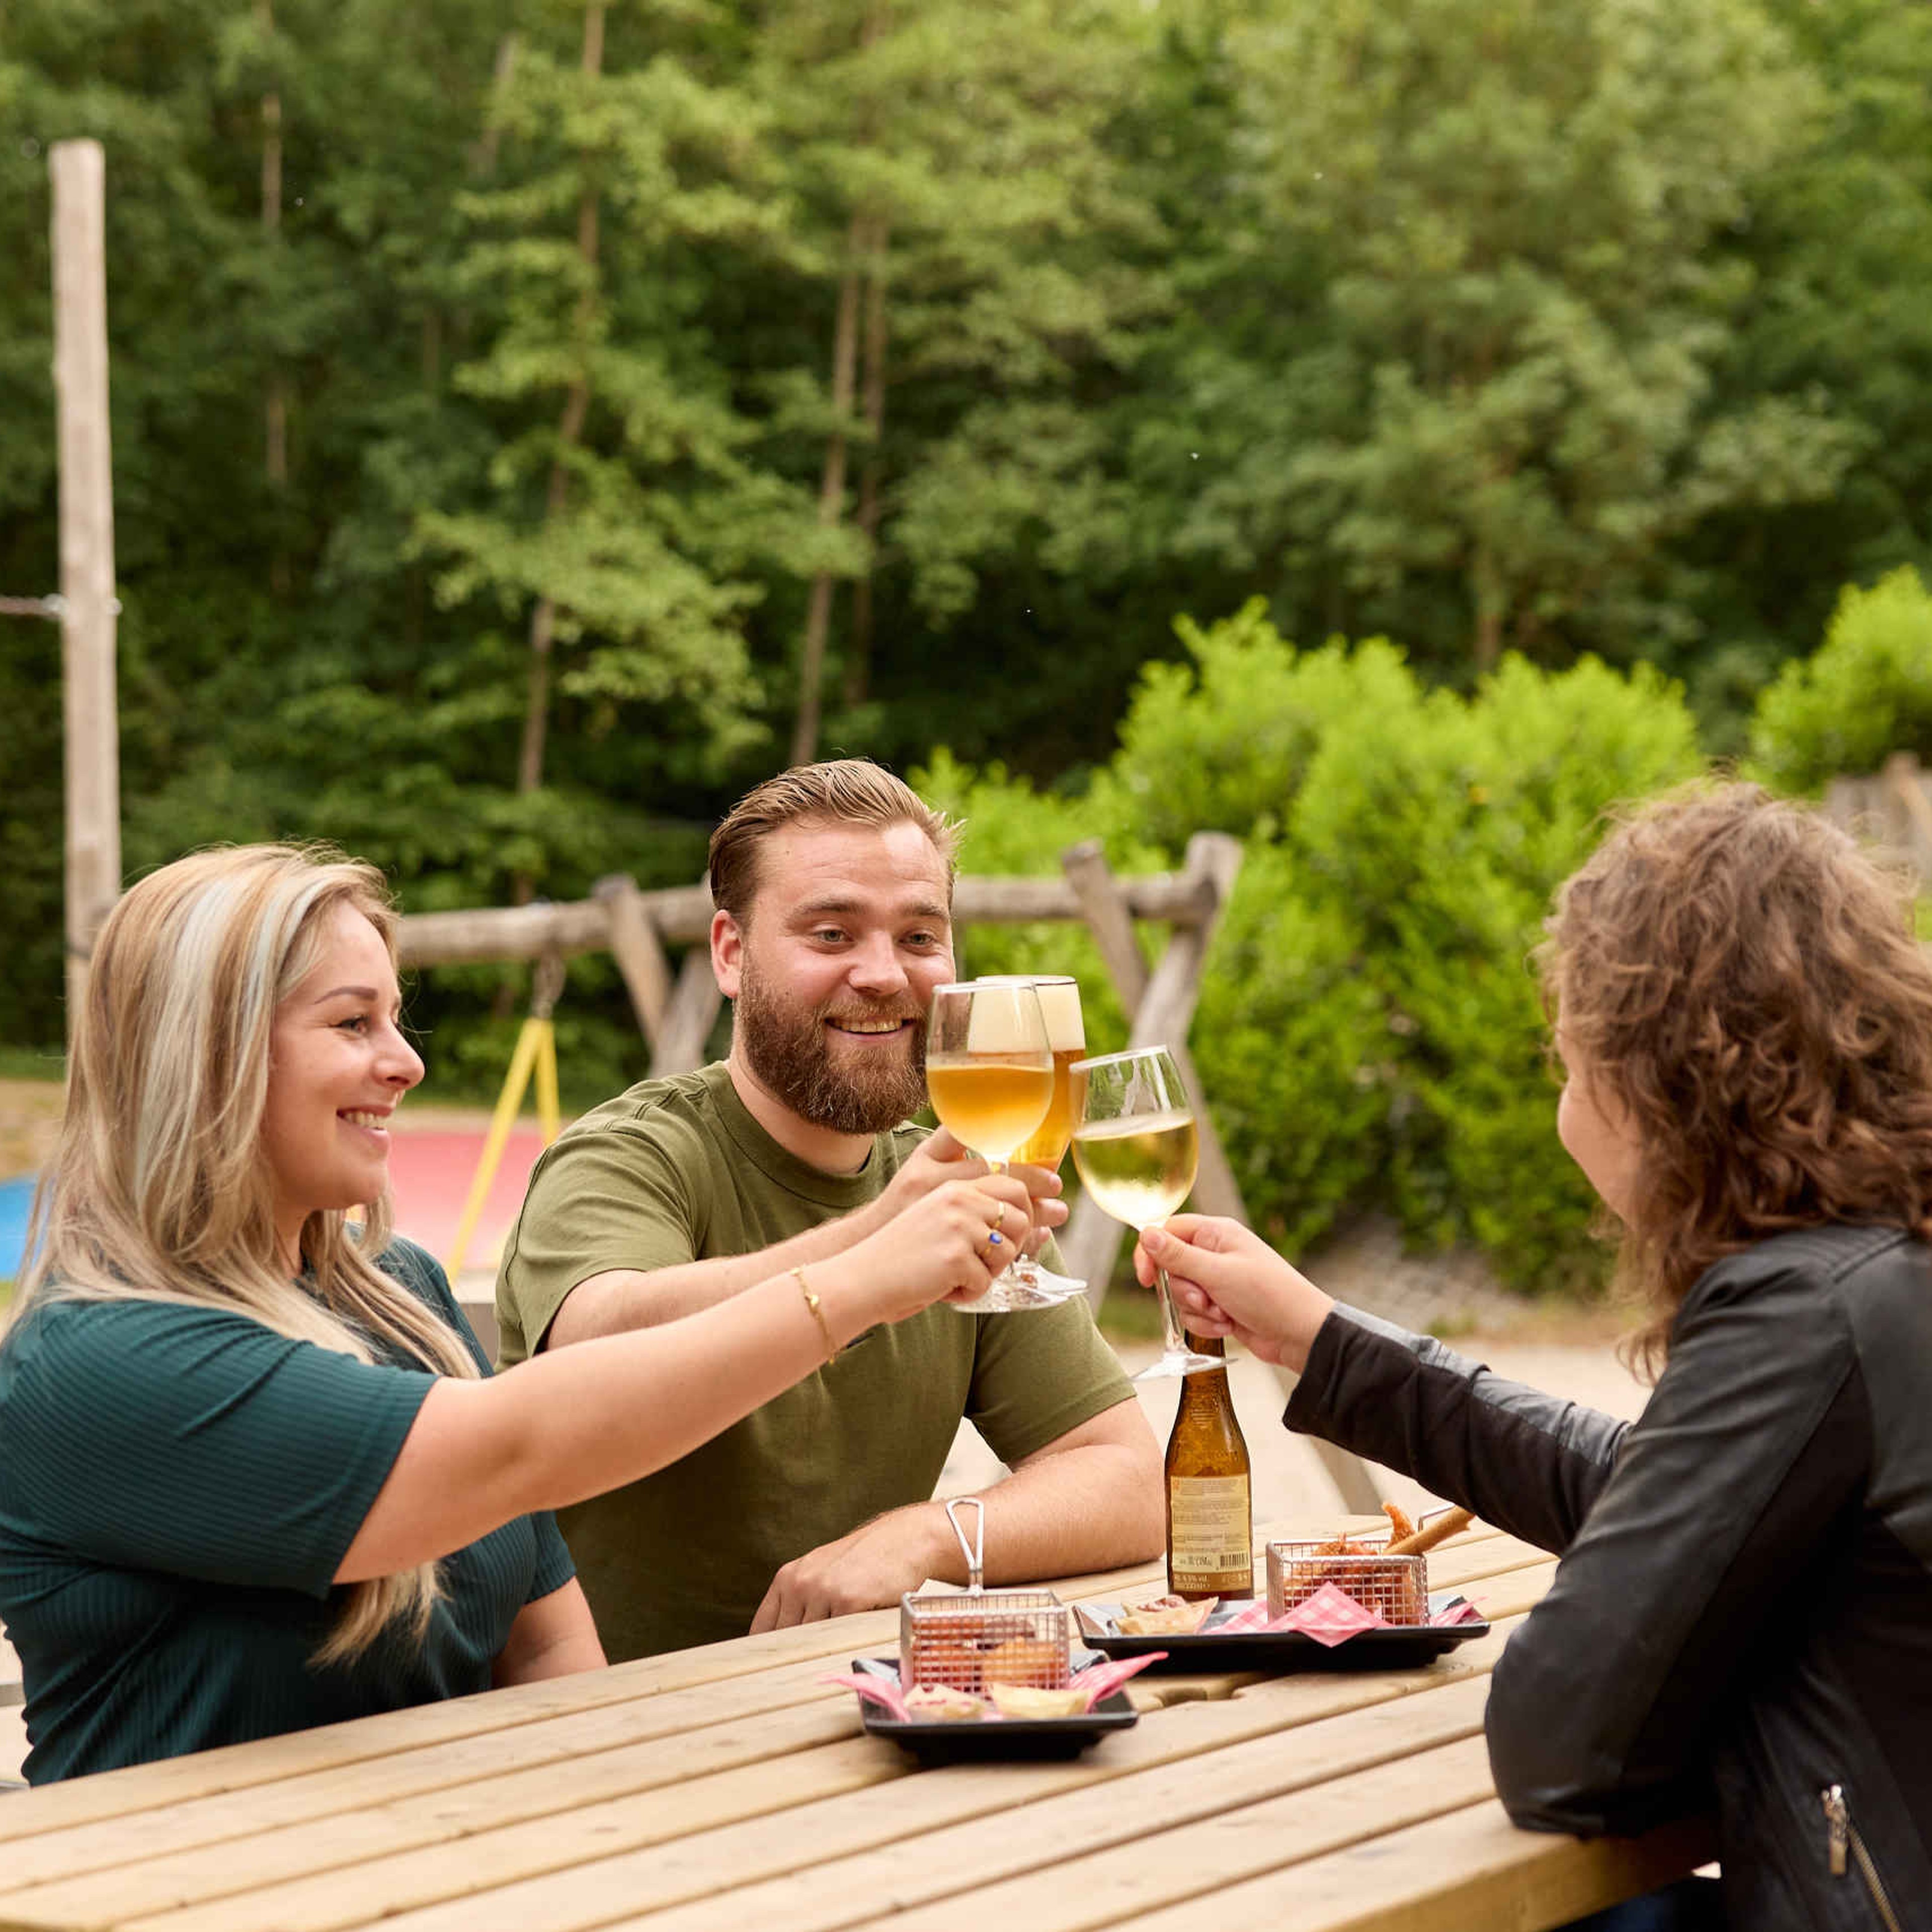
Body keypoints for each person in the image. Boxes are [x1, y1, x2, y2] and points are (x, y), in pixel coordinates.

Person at [0, 845, 1031, 1783]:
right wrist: (864, 1276)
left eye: (396, 1021)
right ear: (209, 1055)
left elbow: (545, 1647)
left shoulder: (402, 1295)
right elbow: (513, 1449)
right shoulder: (93, 1361)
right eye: (353, 1024)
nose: (405, 1063)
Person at [1137, 783, 1932, 1932]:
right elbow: (1668, 1497)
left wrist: (1718, 1667)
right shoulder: (1882, 1265)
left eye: (1568, 1067)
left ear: (1662, 1079)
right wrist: (1323, 1344)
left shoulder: (1803, 1310)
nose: (1564, 1116)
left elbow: (1565, 1744)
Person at [496, 759, 1163, 1661]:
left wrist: (931, 1536)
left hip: (859, 1718)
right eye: (833, 933)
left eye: (920, 938)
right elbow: (599, 1345)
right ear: (731, 954)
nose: (884, 974)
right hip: (607, 1737)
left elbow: (1131, 1481)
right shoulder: (630, 1156)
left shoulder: (950, 1186)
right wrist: (879, 1246)